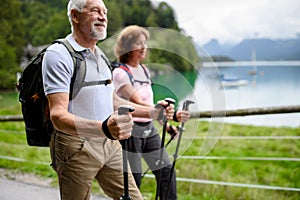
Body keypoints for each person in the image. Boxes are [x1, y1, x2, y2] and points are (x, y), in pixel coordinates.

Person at [42, 1, 174, 200]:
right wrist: (104, 127)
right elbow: (57, 115)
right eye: (95, 11)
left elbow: (113, 101)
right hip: (76, 146)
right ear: (75, 16)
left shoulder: (101, 57)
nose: (103, 17)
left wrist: (153, 112)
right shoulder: (59, 54)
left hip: (109, 144)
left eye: (105, 12)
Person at [113, 25, 190, 200]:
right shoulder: (120, 73)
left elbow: (150, 107)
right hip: (130, 132)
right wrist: (167, 113)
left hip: (149, 129)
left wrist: (167, 126)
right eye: (138, 43)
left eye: (145, 43)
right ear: (127, 47)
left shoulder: (145, 70)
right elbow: (138, 103)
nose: (143, 47)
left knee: (166, 172)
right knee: (134, 180)